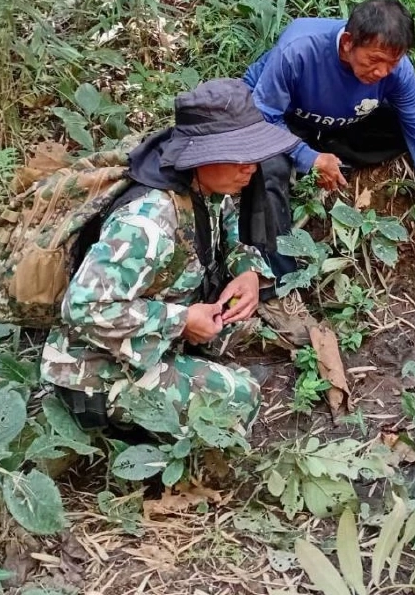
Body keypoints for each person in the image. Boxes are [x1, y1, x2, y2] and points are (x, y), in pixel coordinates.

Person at [41, 79, 303, 434]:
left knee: (238, 324)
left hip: (152, 320)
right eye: (239, 156)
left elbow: (229, 229)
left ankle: (182, 364)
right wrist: (180, 320)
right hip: (93, 366)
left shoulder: (205, 185)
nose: (251, 168)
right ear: (202, 155)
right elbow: (83, 308)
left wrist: (248, 271)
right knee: (241, 399)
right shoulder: (147, 221)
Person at [243, 0, 415, 278]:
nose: (382, 72)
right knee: (267, 167)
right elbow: (262, 114)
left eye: (392, 63)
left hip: (336, 124)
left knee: (401, 128)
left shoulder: (396, 73)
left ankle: (325, 162)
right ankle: (277, 279)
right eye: (375, 60)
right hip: (280, 118)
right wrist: (306, 156)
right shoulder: (299, 49)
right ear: (348, 42)